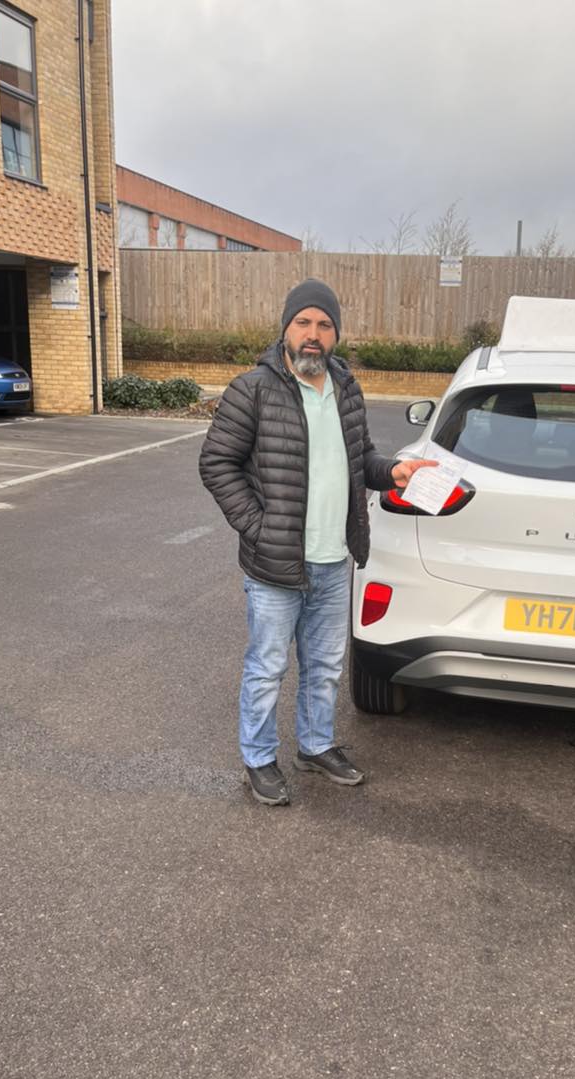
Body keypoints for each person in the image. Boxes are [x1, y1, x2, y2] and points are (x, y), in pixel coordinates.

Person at [199, 279, 436, 806]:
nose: (313, 334)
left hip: (333, 560)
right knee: (267, 669)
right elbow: (216, 463)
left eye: (324, 325)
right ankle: (258, 758)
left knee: (325, 667)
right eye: (303, 322)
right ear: (286, 329)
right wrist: (257, 527)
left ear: (335, 335)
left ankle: (315, 746)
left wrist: (393, 472)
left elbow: (360, 459)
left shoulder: (346, 387)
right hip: (275, 565)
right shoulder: (253, 389)